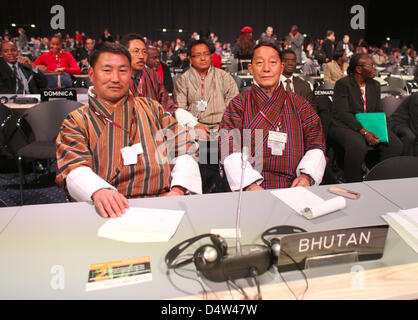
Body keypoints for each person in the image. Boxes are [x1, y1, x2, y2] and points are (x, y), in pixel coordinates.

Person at [55, 42, 202, 218]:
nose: (116, 78)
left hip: (164, 201)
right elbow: (73, 165)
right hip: (107, 206)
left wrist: (178, 190)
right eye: (107, 70)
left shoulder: (152, 108)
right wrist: (99, 191)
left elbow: (184, 145)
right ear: (92, 74)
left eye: (123, 70)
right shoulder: (77, 120)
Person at [219, 42, 326, 191]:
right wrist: (249, 184)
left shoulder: (300, 104)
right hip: (251, 186)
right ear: (251, 68)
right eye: (259, 63)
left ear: (281, 67)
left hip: (294, 186)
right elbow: (229, 146)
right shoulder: (238, 104)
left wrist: (306, 176)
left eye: (273, 62)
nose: (266, 68)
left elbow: (316, 143)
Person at [173, 39, 239, 193]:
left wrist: (222, 125)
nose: (203, 58)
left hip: (223, 125)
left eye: (206, 54)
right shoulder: (183, 80)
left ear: (211, 56)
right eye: (197, 55)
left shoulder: (224, 77)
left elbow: (234, 106)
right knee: (206, 148)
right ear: (190, 59)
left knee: (221, 149)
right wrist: (195, 125)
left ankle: (216, 187)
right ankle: (211, 189)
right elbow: (179, 109)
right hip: (195, 127)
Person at [329, 53, 403, 182]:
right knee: (357, 145)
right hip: (344, 125)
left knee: (396, 144)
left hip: (368, 124)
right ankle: (353, 181)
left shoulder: (374, 85)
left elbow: (377, 110)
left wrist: (379, 128)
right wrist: (364, 131)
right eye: (371, 65)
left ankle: (377, 176)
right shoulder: (343, 84)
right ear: (358, 69)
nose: (375, 68)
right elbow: (343, 114)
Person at [120, 33, 175, 113]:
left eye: (144, 52)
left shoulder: (153, 76)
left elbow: (167, 105)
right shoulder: (117, 78)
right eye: (136, 51)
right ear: (124, 53)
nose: (141, 56)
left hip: (154, 123)